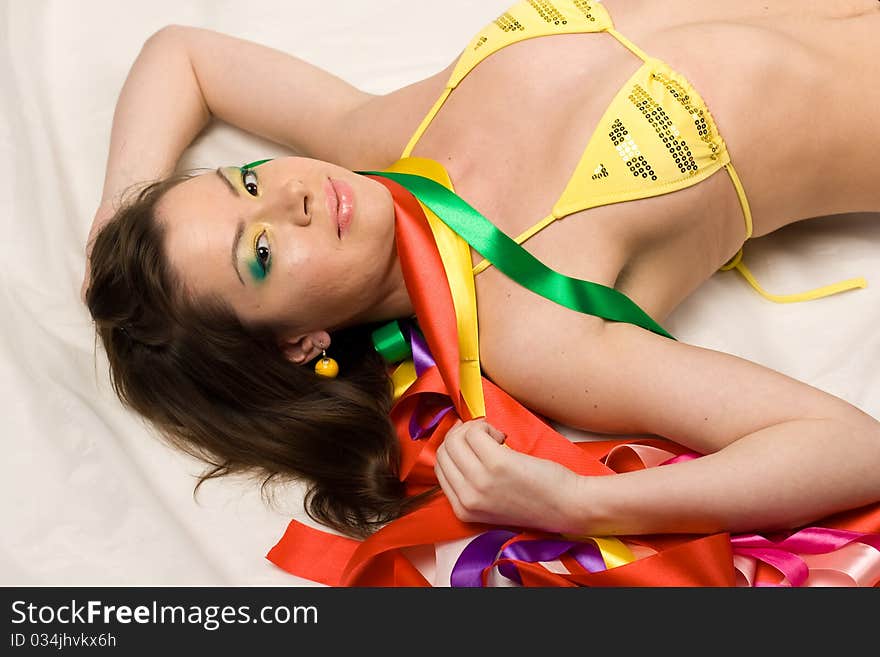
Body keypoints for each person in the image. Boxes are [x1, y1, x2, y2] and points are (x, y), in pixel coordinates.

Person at [82, 0, 880, 585]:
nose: (287, 197)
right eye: (260, 251)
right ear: (299, 343)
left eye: (247, 179)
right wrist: (577, 504)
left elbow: (180, 51)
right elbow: (851, 446)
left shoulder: (376, 138)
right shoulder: (530, 323)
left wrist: (115, 217)